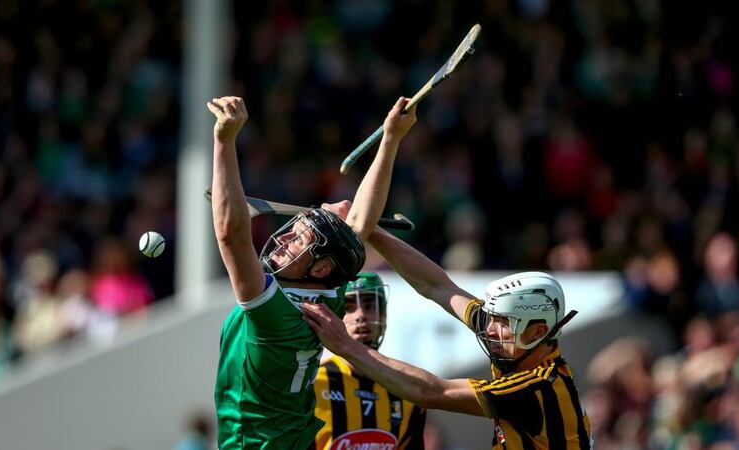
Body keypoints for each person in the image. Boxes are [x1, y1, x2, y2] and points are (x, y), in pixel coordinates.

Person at [206, 95, 416, 450]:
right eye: (291, 231)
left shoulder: (273, 310)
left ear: (320, 267)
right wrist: (391, 138)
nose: (283, 238)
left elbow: (230, 233)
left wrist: (223, 141)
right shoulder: (330, 297)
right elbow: (361, 223)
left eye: (299, 240)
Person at [303, 208, 592, 449]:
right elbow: (437, 286)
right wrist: (372, 229)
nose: (489, 329)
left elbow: (431, 392)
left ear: (538, 332)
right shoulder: (513, 338)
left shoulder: (538, 389)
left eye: (503, 323)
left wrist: (347, 346)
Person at [313, 272, 426, 449]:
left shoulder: (408, 392)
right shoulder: (311, 384)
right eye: (349, 307)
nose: (360, 316)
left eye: (369, 305)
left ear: (383, 315)